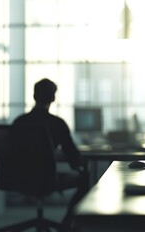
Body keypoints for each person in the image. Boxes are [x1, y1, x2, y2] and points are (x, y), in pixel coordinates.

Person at [12, 78, 89, 230]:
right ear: (53, 98)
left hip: (18, 178)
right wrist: (75, 162)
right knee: (85, 178)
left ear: (34, 96)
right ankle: (67, 224)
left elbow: (14, 153)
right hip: (47, 179)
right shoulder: (57, 123)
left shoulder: (19, 122)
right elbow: (74, 157)